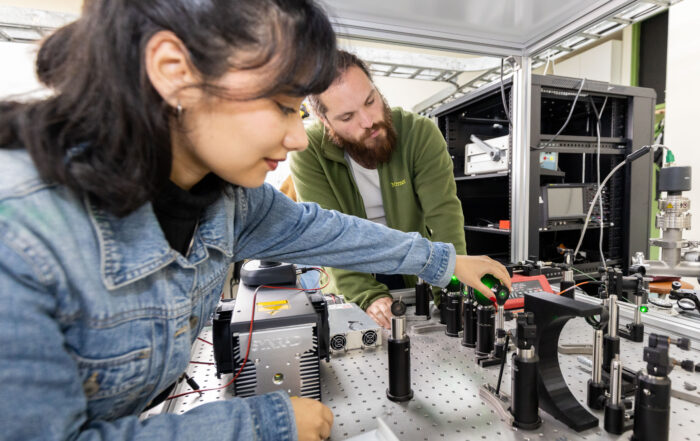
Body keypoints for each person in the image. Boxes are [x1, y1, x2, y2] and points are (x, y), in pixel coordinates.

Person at [0, 2, 510, 441]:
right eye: (284, 106)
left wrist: (445, 261)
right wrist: (263, 425)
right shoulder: (19, 235)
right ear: (174, 71)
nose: (299, 138)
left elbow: (327, 230)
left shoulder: (231, 201)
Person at [290, 50, 468, 328]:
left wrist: (451, 292)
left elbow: (444, 217)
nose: (368, 121)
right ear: (325, 122)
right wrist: (367, 295)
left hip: (414, 265)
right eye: (347, 117)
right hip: (347, 268)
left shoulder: (420, 133)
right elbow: (327, 235)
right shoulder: (307, 151)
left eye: (370, 101)